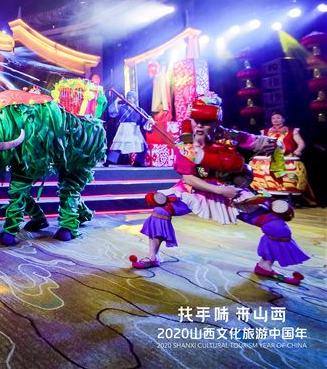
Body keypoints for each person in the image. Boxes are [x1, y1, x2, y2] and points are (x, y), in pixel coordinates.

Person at [131, 94, 309, 285]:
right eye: (196, 120)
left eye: (206, 122)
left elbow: (256, 141)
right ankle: (153, 256)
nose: (199, 126)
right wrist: (220, 191)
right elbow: (188, 178)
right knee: (160, 210)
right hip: (195, 190)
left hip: (230, 191)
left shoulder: (229, 136)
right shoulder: (185, 144)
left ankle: (265, 266)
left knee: (276, 225)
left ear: (217, 121)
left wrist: (273, 144)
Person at [106, 90, 153, 166]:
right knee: (118, 145)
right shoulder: (121, 107)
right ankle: (109, 161)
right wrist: (117, 100)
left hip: (134, 129)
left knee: (142, 146)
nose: (129, 99)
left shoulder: (139, 110)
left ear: (135, 99)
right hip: (124, 128)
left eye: (131, 97)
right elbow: (112, 113)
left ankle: (138, 162)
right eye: (128, 97)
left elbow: (146, 119)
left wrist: (149, 120)